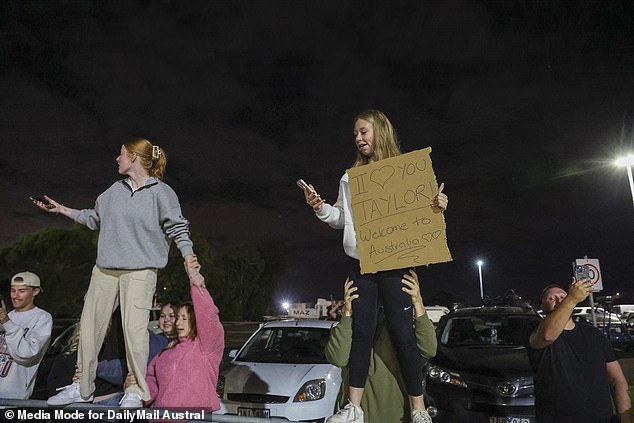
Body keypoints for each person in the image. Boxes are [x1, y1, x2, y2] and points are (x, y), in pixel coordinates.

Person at [302, 109, 448, 423]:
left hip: (394, 260)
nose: (358, 138)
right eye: (355, 134)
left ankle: (418, 409)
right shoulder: (349, 177)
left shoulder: (404, 171)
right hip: (361, 262)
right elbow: (342, 219)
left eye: (364, 131)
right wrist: (321, 208)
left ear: (380, 132)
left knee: (401, 332)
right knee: (361, 332)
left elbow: (420, 215)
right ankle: (354, 407)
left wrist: (437, 206)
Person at [36, 138, 200, 408]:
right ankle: (82, 387)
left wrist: (192, 268)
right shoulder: (113, 191)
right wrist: (61, 210)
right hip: (105, 270)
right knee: (89, 327)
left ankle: (135, 388)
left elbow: (179, 230)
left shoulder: (162, 193)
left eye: (121, 154)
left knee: (134, 331)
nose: (117, 159)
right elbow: (94, 218)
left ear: (134, 157)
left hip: (140, 271)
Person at [325, 270, 436, 423]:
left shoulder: (402, 332)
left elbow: (429, 349)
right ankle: (354, 410)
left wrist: (418, 302)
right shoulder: (353, 327)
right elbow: (338, 358)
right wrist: (347, 313)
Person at [528, 279, 632, 423]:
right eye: (551, 298)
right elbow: (548, 335)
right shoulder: (536, 333)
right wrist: (571, 298)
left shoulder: (594, 335)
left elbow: (617, 380)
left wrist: (625, 418)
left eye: (562, 297)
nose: (558, 300)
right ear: (542, 306)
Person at [125, 270, 224, 412]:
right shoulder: (165, 352)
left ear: (195, 320)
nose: (178, 323)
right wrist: (135, 389)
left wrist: (196, 284)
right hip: (162, 418)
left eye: (184, 318)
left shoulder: (206, 347)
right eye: (177, 318)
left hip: (196, 419)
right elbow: (150, 382)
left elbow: (209, 317)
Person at [0, 271, 52, 399]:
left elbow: (27, 354)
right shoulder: (8, 316)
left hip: (13, 398)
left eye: (22, 291)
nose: (15, 296)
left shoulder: (42, 318)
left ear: (35, 291)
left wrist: (7, 323)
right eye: (13, 290)